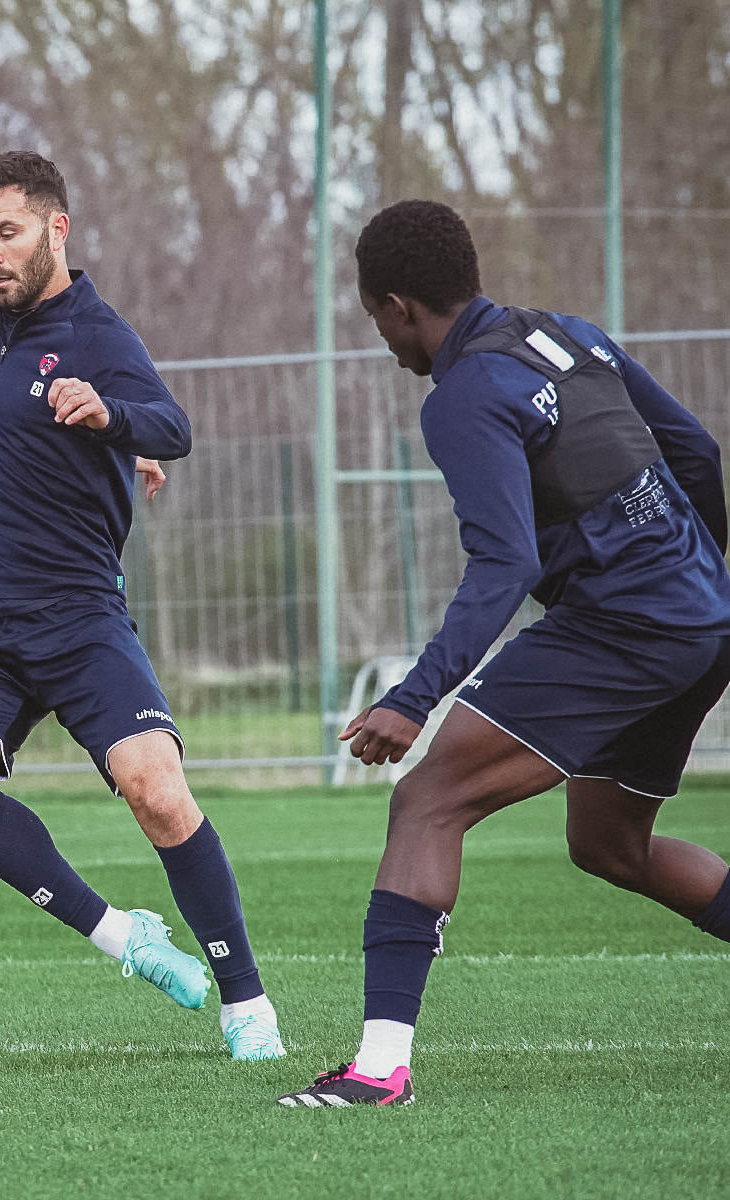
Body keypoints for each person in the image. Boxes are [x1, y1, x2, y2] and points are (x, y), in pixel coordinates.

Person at [279, 199, 730, 1108]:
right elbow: (697, 452)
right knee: (611, 847)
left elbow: (506, 561)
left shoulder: (464, 397)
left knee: (426, 802)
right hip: (698, 618)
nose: (384, 342)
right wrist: (710, 589)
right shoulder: (569, 336)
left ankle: (376, 1071)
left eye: (377, 320)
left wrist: (413, 697)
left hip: (624, 626)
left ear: (400, 305)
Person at [0, 150, 286, 1061]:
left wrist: (115, 424)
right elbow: (22, 435)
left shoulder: (96, 333)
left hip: (76, 615)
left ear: (56, 228)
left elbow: (173, 426)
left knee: (157, 791)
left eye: (8, 232)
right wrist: (105, 445)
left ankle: (246, 1002)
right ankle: (126, 938)